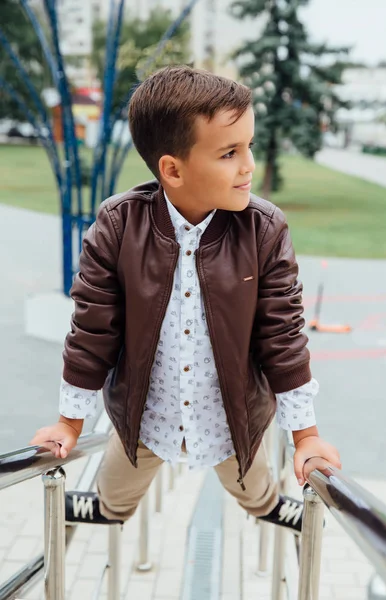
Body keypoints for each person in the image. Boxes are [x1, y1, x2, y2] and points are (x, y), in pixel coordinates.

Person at [30, 66, 341, 532]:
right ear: (172, 169)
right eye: (229, 152)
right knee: (114, 498)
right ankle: (94, 517)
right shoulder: (118, 226)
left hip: (232, 420)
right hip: (145, 416)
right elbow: (92, 332)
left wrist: (307, 437)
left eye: (249, 146)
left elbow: (283, 337)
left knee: (256, 493)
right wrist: (69, 426)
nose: (248, 165)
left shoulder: (265, 229)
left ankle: (272, 511)